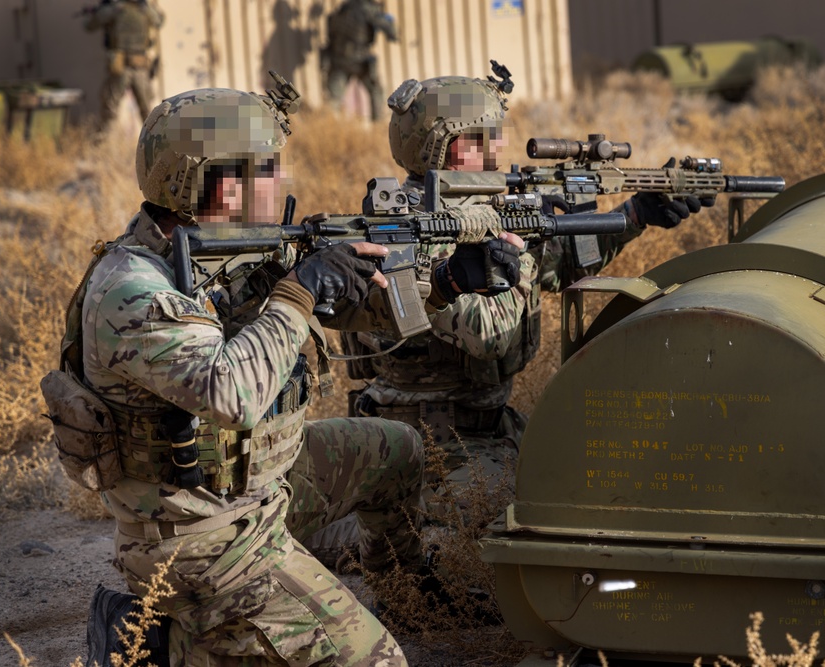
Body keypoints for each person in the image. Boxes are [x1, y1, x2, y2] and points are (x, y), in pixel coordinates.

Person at [42, 81, 519, 665]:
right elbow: (231, 393)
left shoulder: (238, 250)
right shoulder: (134, 291)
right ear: (216, 182)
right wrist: (300, 290)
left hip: (255, 486)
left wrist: (448, 281)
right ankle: (163, 646)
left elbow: (352, 307)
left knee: (398, 451)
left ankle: (406, 597)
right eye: (266, 167)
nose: (281, 181)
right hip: (198, 541)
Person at [301, 72, 713, 565]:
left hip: (491, 431)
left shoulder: (486, 208)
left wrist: (635, 215)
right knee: (500, 549)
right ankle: (370, 535)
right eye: (480, 140)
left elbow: (559, 264)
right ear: (439, 148)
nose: (497, 149)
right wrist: (486, 265)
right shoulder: (403, 230)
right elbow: (492, 337)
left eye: (497, 135)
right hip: (429, 443)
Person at [83, 0, 164, 130]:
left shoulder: (114, 8)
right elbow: (159, 21)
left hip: (124, 66)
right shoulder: (142, 8)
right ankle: (156, 144)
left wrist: (97, 12)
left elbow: (89, 25)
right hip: (132, 66)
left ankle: (100, 145)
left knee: (112, 110)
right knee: (146, 112)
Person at [321, 0, 397, 121]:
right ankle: (378, 125)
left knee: (334, 100)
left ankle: (331, 126)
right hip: (360, 61)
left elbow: (330, 35)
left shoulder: (343, 9)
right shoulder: (368, 9)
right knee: (376, 92)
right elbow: (393, 34)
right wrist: (389, 20)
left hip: (339, 60)